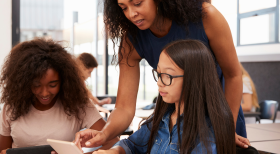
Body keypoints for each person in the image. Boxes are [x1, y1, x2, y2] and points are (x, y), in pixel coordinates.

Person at [74, 0, 249, 148]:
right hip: (177, 120)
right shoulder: (131, 41)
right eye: (123, 7)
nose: (131, 14)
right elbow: (124, 108)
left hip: (221, 115)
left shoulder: (206, 16)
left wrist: (226, 128)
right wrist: (104, 134)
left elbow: (233, 75)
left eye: (137, 3)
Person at [86, 40, 239, 154]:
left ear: (194, 78)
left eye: (167, 75)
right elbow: (132, 144)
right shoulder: (162, 118)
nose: (159, 83)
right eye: (158, 74)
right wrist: (112, 152)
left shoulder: (208, 131)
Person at [0, 39, 118, 154]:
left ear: (64, 81)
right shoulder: (13, 106)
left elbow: (113, 141)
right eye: (36, 85)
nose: (44, 93)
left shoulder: (78, 104)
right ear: (25, 82)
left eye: (52, 85)